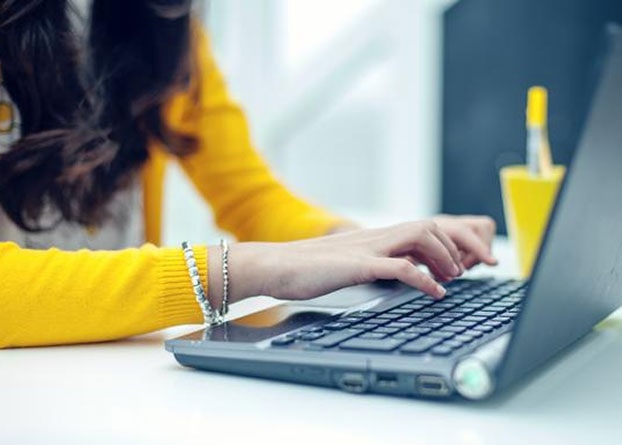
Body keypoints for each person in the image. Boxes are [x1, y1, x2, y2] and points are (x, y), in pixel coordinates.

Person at [0, 0, 499, 349]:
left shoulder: (159, 21)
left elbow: (249, 197)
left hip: (111, 366)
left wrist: (364, 247)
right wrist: (247, 269)